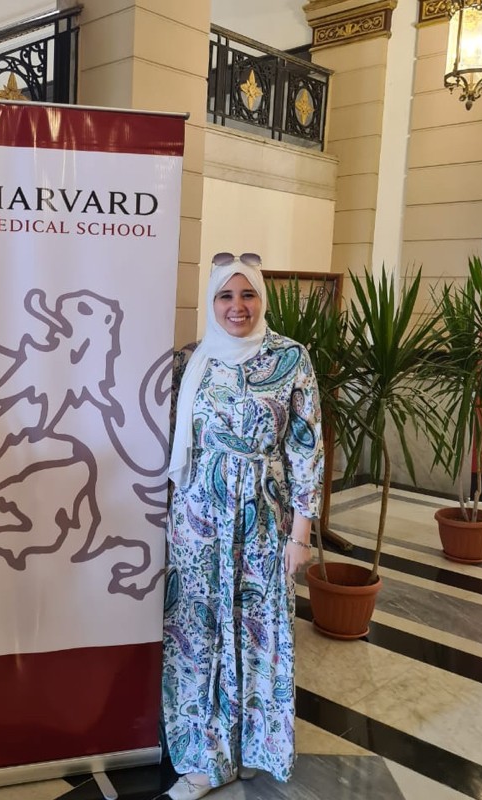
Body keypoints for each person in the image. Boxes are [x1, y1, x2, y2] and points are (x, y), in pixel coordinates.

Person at [162, 252, 324, 800]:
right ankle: (205, 761)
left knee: (259, 631)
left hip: (265, 517)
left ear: (262, 298)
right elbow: (172, 437)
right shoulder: (192, 360)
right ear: (212, 303)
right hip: (197, 518)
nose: (238, 306)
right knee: (198, 632)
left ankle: (248, 748)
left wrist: (301, 534)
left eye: (248, 294)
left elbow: (306, 448)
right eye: (226, 296)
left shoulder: (291, 358)